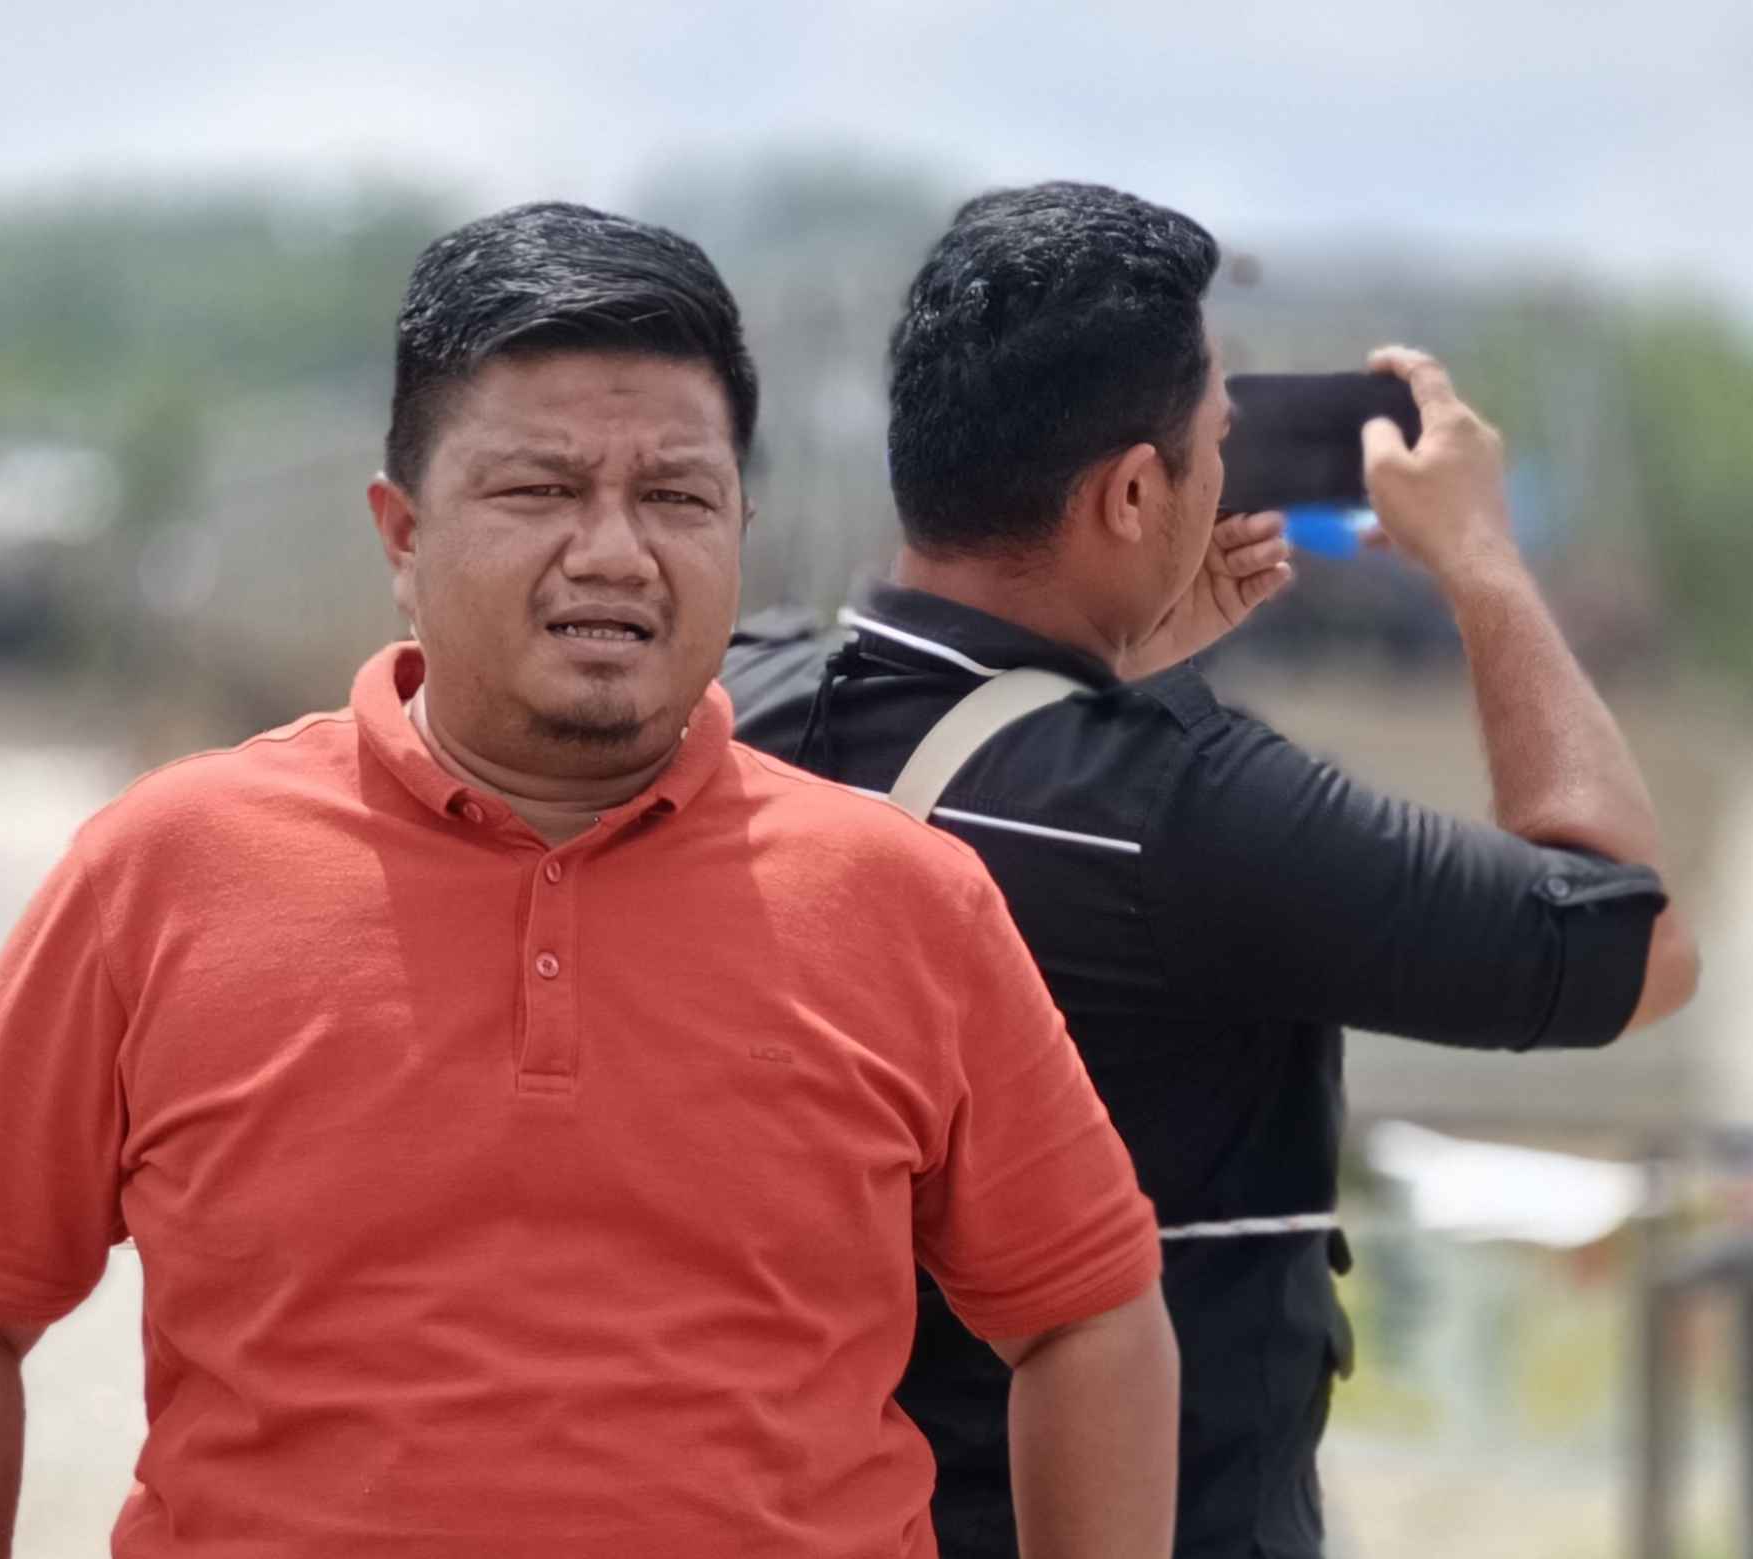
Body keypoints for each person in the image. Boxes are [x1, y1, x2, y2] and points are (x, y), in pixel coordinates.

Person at [0, 199, 1179, 1559]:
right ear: (401, 534)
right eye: (540, 491)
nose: (613, 551)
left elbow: (1087, 1317)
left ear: (740, 527)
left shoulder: (905, 902)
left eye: (676, 497)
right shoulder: (167, 871)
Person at [725, 181, 1701, 1559]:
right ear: (1134, 493)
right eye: (1216, 442)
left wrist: (1094, 673)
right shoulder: (1186, 809)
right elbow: (1628, 943)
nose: (1226, 469)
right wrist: (1482, 561)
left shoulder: (736, 710)